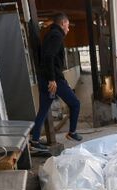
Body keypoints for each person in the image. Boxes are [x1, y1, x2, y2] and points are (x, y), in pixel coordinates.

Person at [30, 13, 81, 150]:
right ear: (63, 23)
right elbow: (49, 57)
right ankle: (72, 132)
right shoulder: (57, 36)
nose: (68, 29)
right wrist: (53, 79)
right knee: (75, 104)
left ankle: (34, 141)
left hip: (44, 77)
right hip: (52, 80)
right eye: (68, 26)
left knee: (43, 109)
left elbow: (50, 58)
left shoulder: (50, 34)